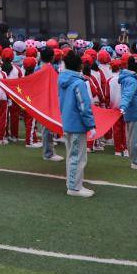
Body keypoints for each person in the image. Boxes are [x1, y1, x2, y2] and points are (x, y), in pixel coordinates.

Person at [58, 51, 95, 197]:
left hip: (68, 121)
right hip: (76, 124)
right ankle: (74, 187)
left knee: (73, 155)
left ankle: (74, 184)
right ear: (79, 66)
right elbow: (84, 106)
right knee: (77, 157)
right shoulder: (79, 83)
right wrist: (91, 125)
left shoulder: (62, 79)